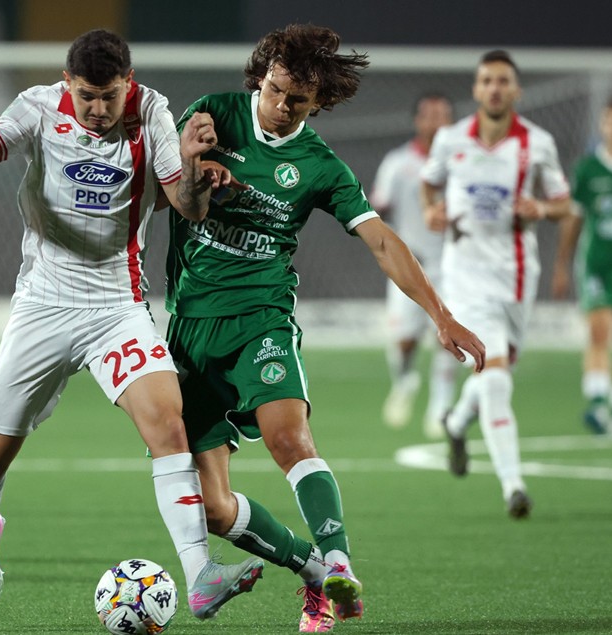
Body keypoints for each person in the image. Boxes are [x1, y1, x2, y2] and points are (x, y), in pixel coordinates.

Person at [0, 29, 263, 619]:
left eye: (110, 95)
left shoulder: (151, 112)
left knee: (169, 424)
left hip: (116, 306)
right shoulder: (37, 108)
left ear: (127, 83)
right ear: (69, 84)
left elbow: (187, 206)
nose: (100, 109)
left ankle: (200, 574)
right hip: (43, 304)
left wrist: (191, 164)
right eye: (87, 95)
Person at [164, 24, 486, 633]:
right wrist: (193, 167)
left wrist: (440, 316)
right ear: (261, 76)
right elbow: (178, 203)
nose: (283, 107)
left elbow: (381, 241)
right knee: (210, 508)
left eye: (299, 101)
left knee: (289, 438)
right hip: (190, 328)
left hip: (262, 319)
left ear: (319, 103)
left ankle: (339, 563)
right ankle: (313, 571)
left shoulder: (318, 164)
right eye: (276, 91)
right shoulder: (212, 115)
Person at [421, 50, 572, 519]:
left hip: (517, 276)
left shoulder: (537, 144)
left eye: (503, 81)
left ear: (516, 90)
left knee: (496, 371)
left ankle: (456, 421)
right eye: (487, 80)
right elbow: (430, 184)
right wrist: (431, 211)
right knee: (496, 376)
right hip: (465, 277)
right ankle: (513, 486)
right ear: (476, 88)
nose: (494, 88)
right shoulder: (450, 139)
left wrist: (541, 209)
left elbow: (563, 203)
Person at [552, 99, 612, 440]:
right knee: (599, 331)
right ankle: (598, 403)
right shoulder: (588, 169)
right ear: (602, 127)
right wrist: (562, 263)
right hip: (598, 266)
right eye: (610, 121)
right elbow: (574, 219)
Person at [371, 93, 459, 438]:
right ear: (417, 120)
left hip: (453, 266)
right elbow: (377, 208)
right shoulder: (398, 162)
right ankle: (405, 380)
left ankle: (441, 405)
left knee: (447, 334)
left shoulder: (463, 162)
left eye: (443, 115)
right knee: (403, 339)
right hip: (410, 265)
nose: (436, 122)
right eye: (429, 115)